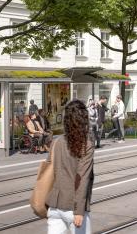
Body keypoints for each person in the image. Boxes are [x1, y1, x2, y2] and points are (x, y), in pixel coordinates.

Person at [46, 100, 94, 234]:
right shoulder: (86, 145)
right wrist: (79, 211)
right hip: (73, 207)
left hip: (54, 207)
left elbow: (48, 172)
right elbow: (82, 179)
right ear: (84, 119)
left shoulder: (56, 142)